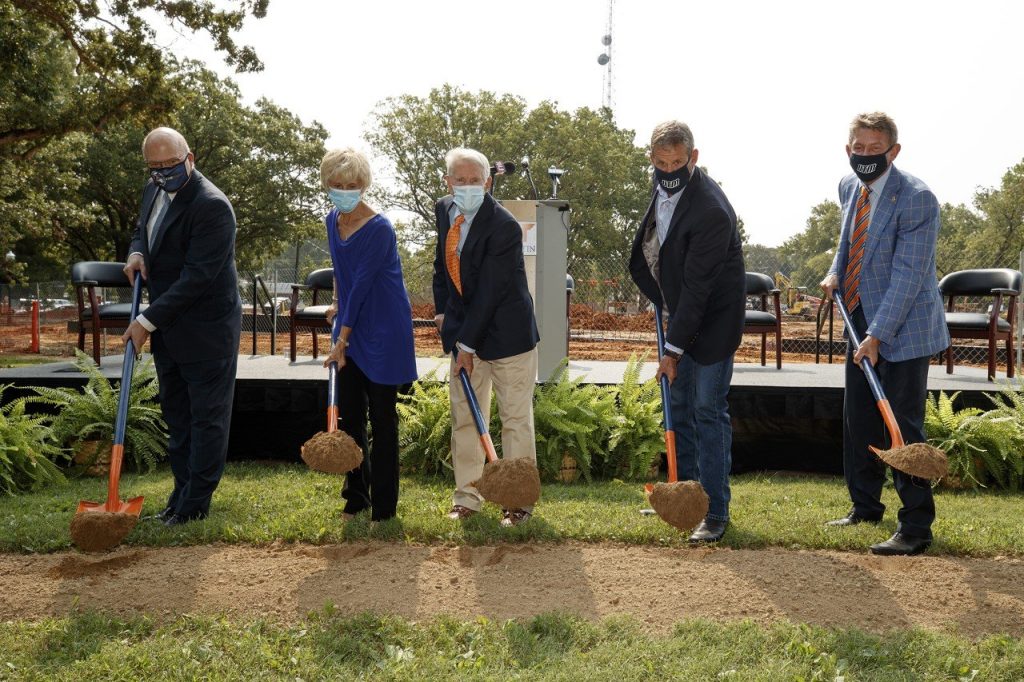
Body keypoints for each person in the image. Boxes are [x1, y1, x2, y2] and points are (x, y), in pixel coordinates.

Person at [820, 112, 949, 556]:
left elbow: (909, 275)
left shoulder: (917, 199)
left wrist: (877, 335)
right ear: (848, 149)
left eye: (875, 149)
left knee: (903, 425)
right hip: (859, 316)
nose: (866, 155)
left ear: (893, 151)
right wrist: (835, 272)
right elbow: (848, 241)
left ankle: (915, 526)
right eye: (859, 148)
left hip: (905, 327)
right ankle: (865, 507)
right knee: (860, 419)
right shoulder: (848, 185)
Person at [628, 120, 745, 543]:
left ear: (693, 158)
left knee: (706, 411)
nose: (668, 171)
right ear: (652, 159)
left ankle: (714, 512)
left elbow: (698, 290)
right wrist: (664, 303)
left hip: (712, 324)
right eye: (661, 164)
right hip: (681, 314)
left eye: (677, 163)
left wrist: (672, 350)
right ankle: (684, 499)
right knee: (678, 409)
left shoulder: (710, 209)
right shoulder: (662, 184)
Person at [122, 127, 241, 526]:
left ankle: (194, 507)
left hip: (207, 330)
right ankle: (179, 497)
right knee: (178, 418)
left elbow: (196, 278)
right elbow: (143, 228)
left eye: (170, 165)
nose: (162, 173)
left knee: (206, 420)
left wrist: (145, 321)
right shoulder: (153, 188)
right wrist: (137, 251)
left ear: (190, 158)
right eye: (154, 167)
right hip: (170, 330)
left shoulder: (212, 206)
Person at [432, 147, 540, 527]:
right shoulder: (444, 210)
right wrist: (443, 312)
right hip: (465, 331)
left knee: (515, 420)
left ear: (488, 182)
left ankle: (518, 503)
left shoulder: (504, 226)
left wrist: (466, 345)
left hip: (508, 337)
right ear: (448, 182)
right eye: (459, 180)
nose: (467, 186)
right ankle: (467, 498)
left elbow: (490, 293)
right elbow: (441, 266)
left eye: (475, 180)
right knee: (465, 417)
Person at [319, 148, 417, 523]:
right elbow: (341, 271)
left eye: (352, 185)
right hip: (350, 323)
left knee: (382, 418)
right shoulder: (332, 220)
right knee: (351, 417)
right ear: (328, 184)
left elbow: (361, 286)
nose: (345, 191)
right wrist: (336, 303)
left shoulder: (379, 229)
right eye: (338, 185)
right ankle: (356, 496)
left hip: (384, 328)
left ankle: (384, 507)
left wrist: (340, 341)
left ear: (364, 185)